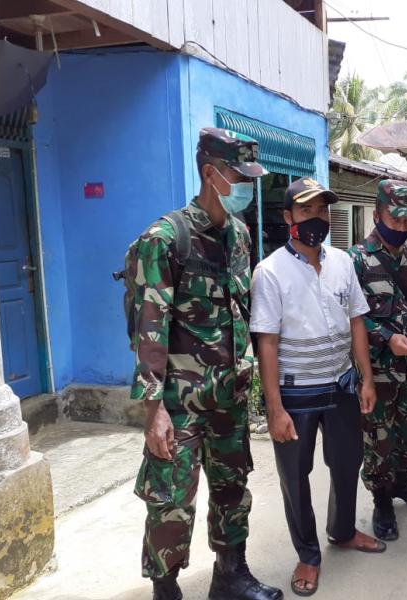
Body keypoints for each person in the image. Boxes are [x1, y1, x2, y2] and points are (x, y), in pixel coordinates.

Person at [130, 128, 281, 600]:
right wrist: (153, 409)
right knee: (172, 500)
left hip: (229, 396)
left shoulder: (239, 235)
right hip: (179, 402)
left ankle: (230, 575)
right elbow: (149, 328)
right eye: (240, 176)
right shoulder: (165, 239)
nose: (247, 186)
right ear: (210, 173)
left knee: (233, 487)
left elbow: (242, 312)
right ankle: (166, 589)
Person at [251, 178, 386, 597]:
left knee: (347, 463)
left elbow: (356, 320)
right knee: (296, 476)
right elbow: (267, 343)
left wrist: (365, 377)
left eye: (322, 210)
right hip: (297, 393)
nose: (317, 218)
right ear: (287, 216)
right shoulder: (270, 272)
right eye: (306, 210)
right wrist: (275, 408)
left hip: (342, 386)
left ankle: (342, 531)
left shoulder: (342, 262)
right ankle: (308, 555)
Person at [348, 180, 407, 541]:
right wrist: (387, 337)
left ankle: (403, 481)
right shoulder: (357, 260)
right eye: (395, 219)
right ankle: (382, 499)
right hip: (378, 371)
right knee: (379, 437)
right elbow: (351, 317)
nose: (402, 227)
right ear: (377, 215)